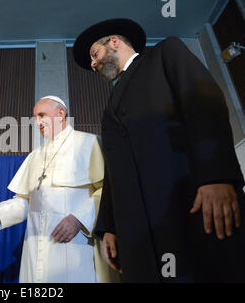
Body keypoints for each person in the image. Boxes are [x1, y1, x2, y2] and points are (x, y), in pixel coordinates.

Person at [73, 18, 245, 282]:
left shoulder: (166, 53)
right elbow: (115, 170)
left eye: (94, 55)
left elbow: (205, 105)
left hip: (191, 205)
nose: (93, 65)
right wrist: (110, 227)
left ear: (115, 42)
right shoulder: (109, 109)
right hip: (138, 233)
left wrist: (216, 176)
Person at [0, 96, 116, 283]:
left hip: (76, 245)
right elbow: (27, 201)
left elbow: (107, 191)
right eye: (35, 117)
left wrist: (79, 218)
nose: (38, 122)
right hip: (35, 249)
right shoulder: (35, 156)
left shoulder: (89, 143)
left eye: (42, 115)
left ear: (61, 114)